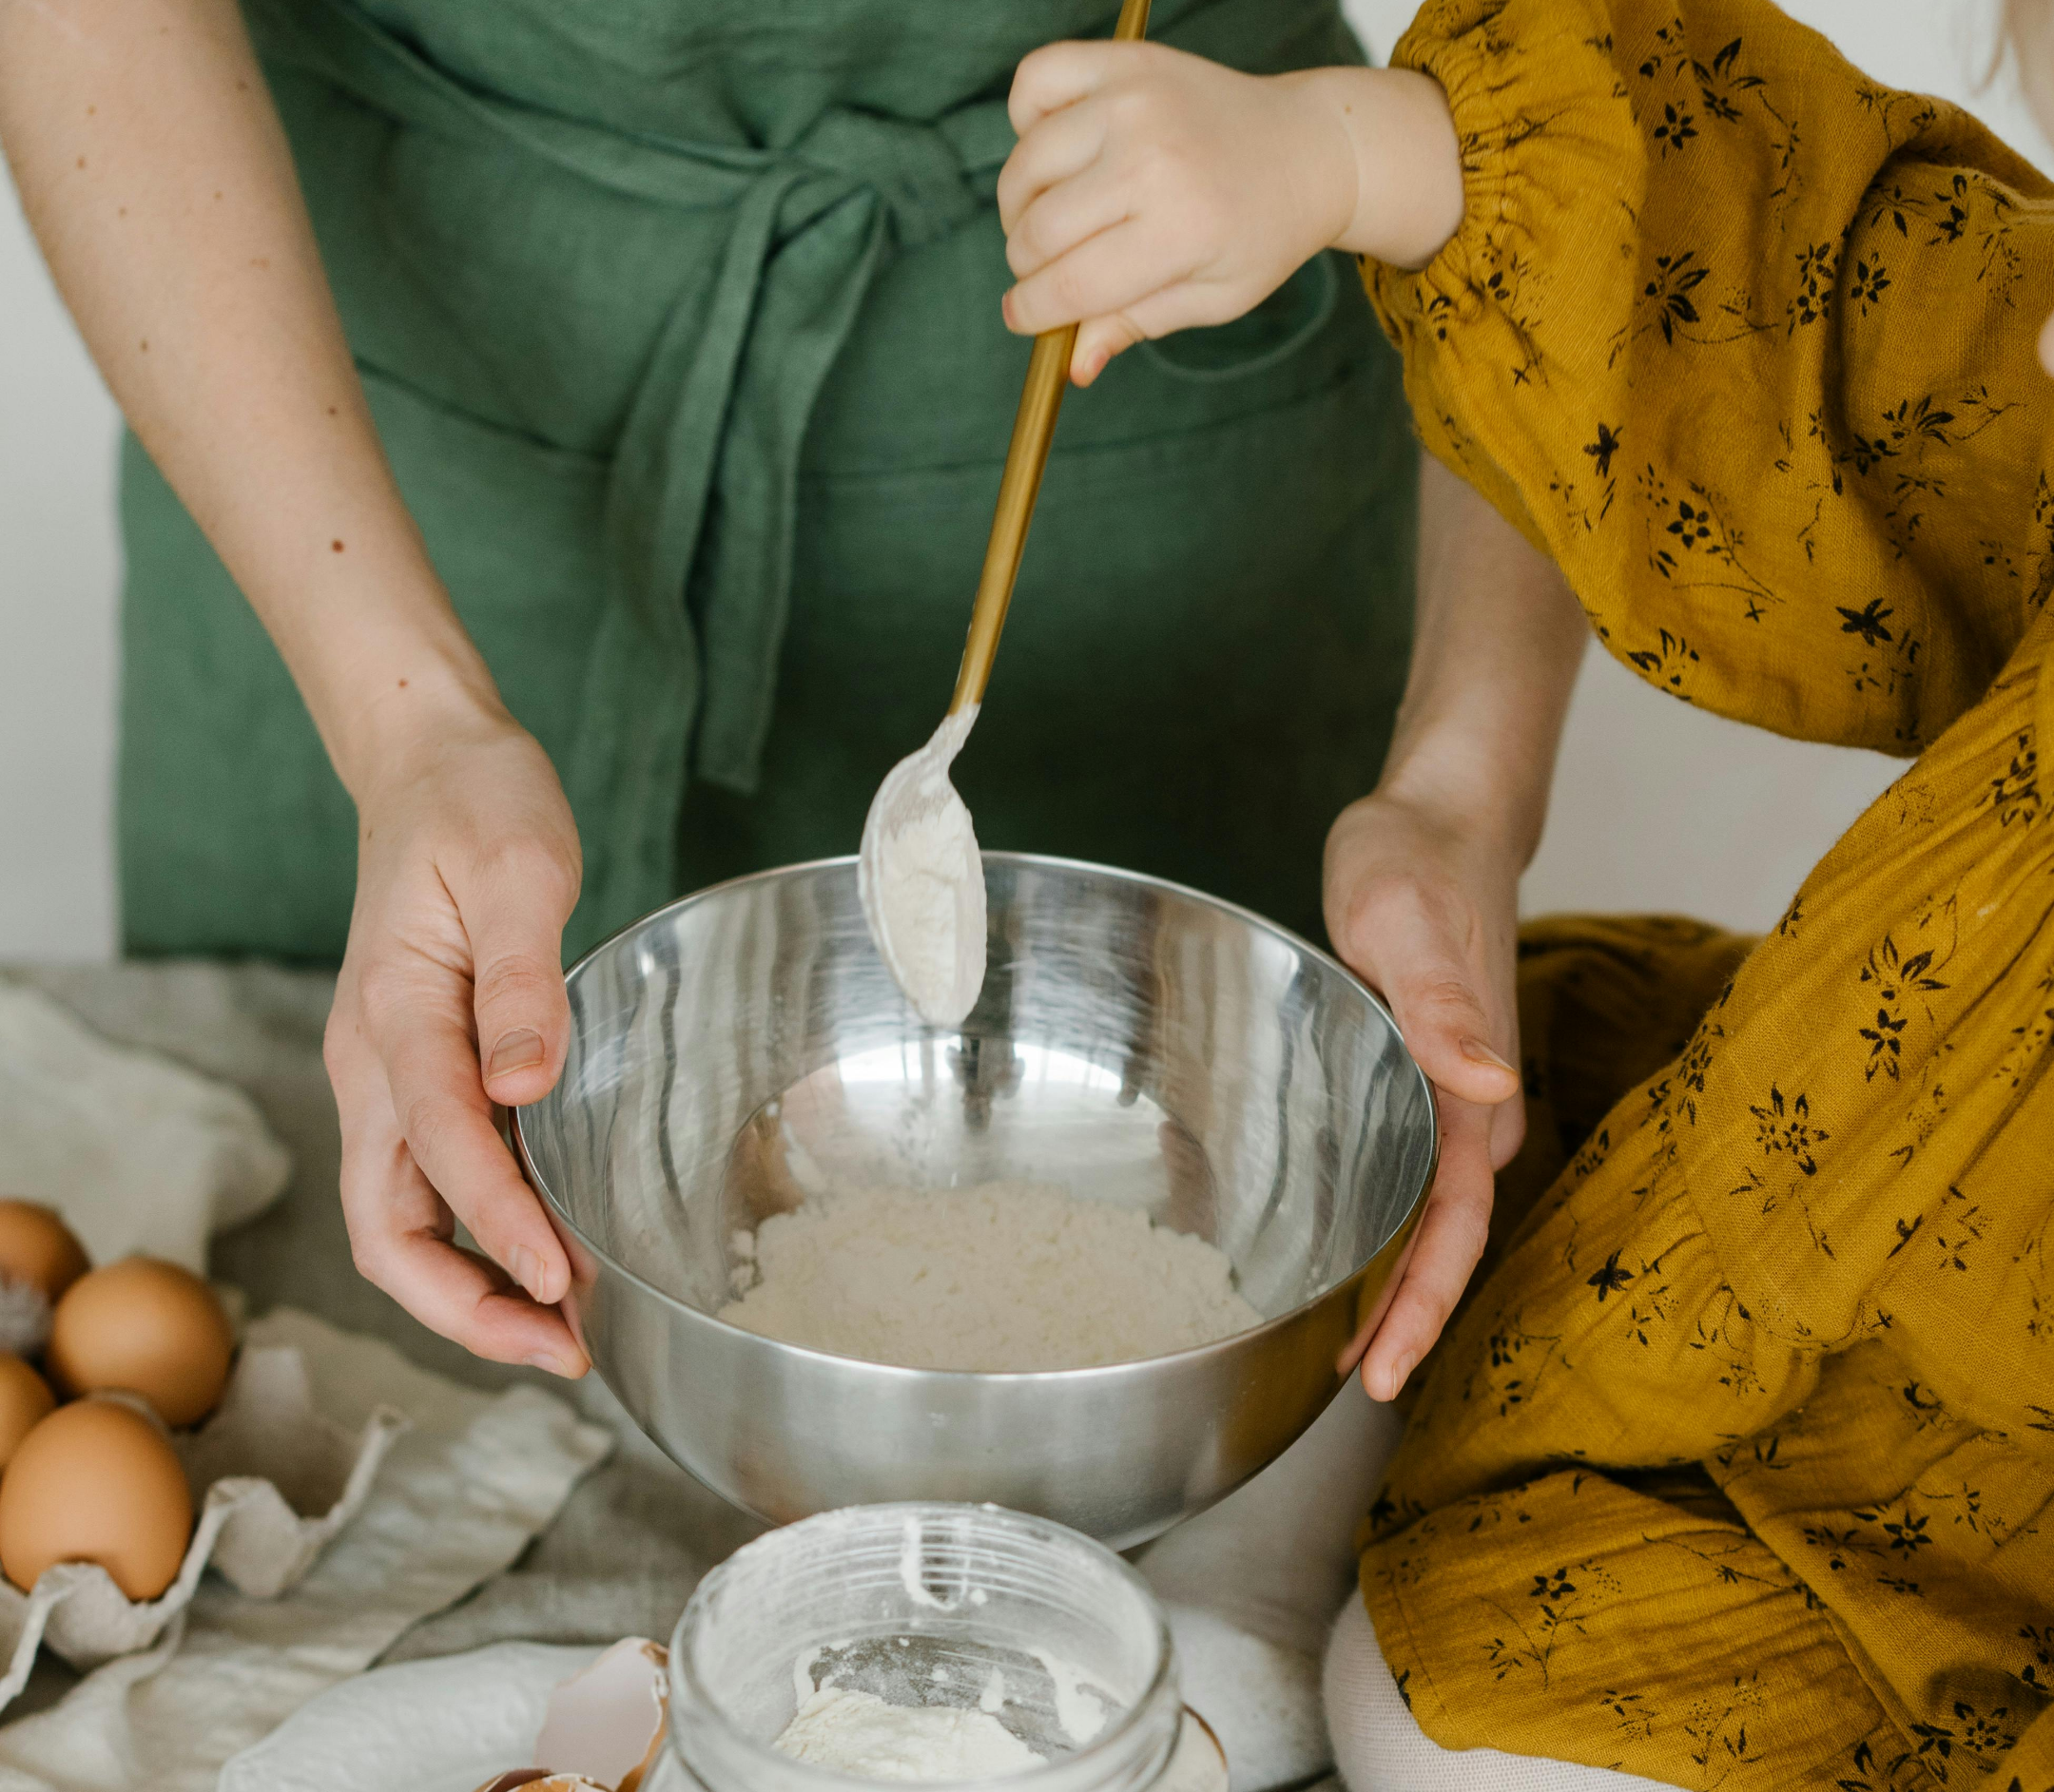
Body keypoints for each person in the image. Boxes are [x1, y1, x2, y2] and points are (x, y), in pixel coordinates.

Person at [0, 0, 1578, 1391]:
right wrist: (406, 725)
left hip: (1164, 425)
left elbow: (1618, 84)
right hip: (366, 427)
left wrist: (1464, 787)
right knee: (337, 1299)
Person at [997, 4, 2054, 1792]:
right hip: (1878, 1246)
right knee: (1519, 1078)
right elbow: (1819, 304)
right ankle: (1294, 1539)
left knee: (1443, 1755)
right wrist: (1347, 153)